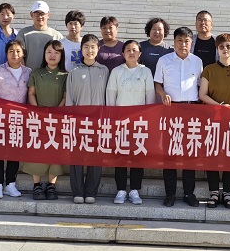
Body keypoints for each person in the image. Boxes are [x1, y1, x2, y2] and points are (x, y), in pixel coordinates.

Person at [154, 27, 203, 207]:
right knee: (170, 153)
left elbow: (200, 86)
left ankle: (189, 193)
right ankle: (170, 193)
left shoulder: (197, 61)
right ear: (174, 42)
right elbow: (157, 84)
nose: (183, 44)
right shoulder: (164, 60)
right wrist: (162, 94)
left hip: (191, 110)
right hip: (170, 109)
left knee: (190, 152)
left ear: (191, 42)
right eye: (179, 41)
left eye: (186, 41)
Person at [199, 33, 230, 209]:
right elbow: (202, 94)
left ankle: (227, 191)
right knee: (212, 154)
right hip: (214, 119)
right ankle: (213, 191)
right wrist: (220, 106)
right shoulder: (209, 69)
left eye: (228, 46)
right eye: (221, 47)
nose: (225, 49)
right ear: (217, 49)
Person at [107, 40, 155, 204]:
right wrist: (112, 119)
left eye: (134, 50)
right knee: (120, 155)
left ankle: (135, 190)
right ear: (123, 54)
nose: (131, 53)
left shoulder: (146, 71)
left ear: (140, 53)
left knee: (137, 155)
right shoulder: (116, 71)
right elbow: (111, 94)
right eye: (128, 50)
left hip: (139, 121)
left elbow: (150, 96)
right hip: (120, 120)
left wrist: (148, 119)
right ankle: (121, 190)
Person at [65, 34, 109, 204]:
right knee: (77, 157)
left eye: (93, 47)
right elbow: (70, 98)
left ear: (98, 49)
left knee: (95, 157)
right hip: (79, 121)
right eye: (86, 47)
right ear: (81, 49)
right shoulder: (74, 71)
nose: (89, 50)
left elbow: (107, 96)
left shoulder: (104, 71)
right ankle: (77, 191)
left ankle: (91, 191)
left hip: (98, 121)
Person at [0, 40, 31, 199]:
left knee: (15, 151)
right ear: (6, 53)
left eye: (18, 51)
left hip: (19, 118)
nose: (15, 54)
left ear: (23, 54)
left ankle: (10, 184)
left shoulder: (28, 72)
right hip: (0, 117)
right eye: (11, 51)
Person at [25, 40, 68, 200]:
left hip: (57, 118)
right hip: (38, 116)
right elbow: (31, 93)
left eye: (56, 52)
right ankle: (37, 185)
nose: (52, 55)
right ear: (44, 54)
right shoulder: (37, 73)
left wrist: (56, 113)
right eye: (49, 51)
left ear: (61, 56)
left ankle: (51, 185)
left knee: (54, 151)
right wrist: (38, 111)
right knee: (37, 150)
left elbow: (65, 97)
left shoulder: (65, 75)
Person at [17, 1, 64, 71]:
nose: (40, 17)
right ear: (31, 15)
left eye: (42, 13)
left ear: (48, 15)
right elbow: (19, 56)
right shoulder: (23, 33)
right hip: (29, 75)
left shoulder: (57, 36)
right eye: (36, 13)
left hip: (51, 75)